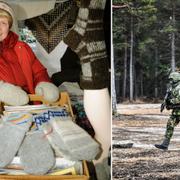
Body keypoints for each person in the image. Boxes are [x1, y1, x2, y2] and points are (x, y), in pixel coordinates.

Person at [0, 2, 59, 106]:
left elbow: (38, 72)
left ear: (9, 26)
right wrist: (2, 91)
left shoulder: (22, 47)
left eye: (3, 23)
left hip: (29, 108)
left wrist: (44, 83)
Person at [155, 71, 180, 150]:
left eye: (172, 79)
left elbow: (178, 99)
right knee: (170, 125)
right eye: (170, 79)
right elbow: (167, 97)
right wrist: (164, 103)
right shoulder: (171, 88)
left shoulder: (179, 87)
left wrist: (170, 102)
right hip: (176, 112)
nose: (171, 81)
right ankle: (165, 145)